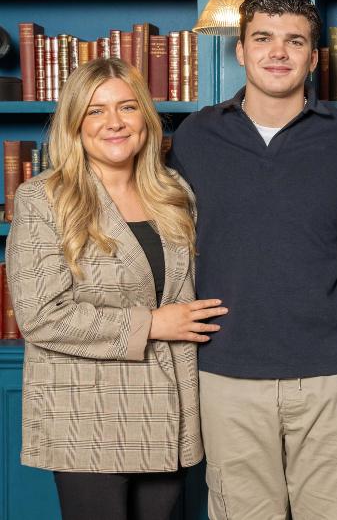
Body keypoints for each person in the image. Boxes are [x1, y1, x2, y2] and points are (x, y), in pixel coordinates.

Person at [168, 0, 337, 520]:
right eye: (262, 38)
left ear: (313, 56)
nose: (277, 52)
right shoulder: (195, 136)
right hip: (227, 370)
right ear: (240, 50)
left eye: (294, 41)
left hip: (334, 371)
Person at [6, 57, 222, 520]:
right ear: (75, 124)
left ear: (145, 115)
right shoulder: (43, 197)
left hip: (171, 412)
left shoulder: (175, 193)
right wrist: (153, 323)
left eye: (126, 107)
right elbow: (40, 315)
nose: (114, 123)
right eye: (96, 111)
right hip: (87, 413)